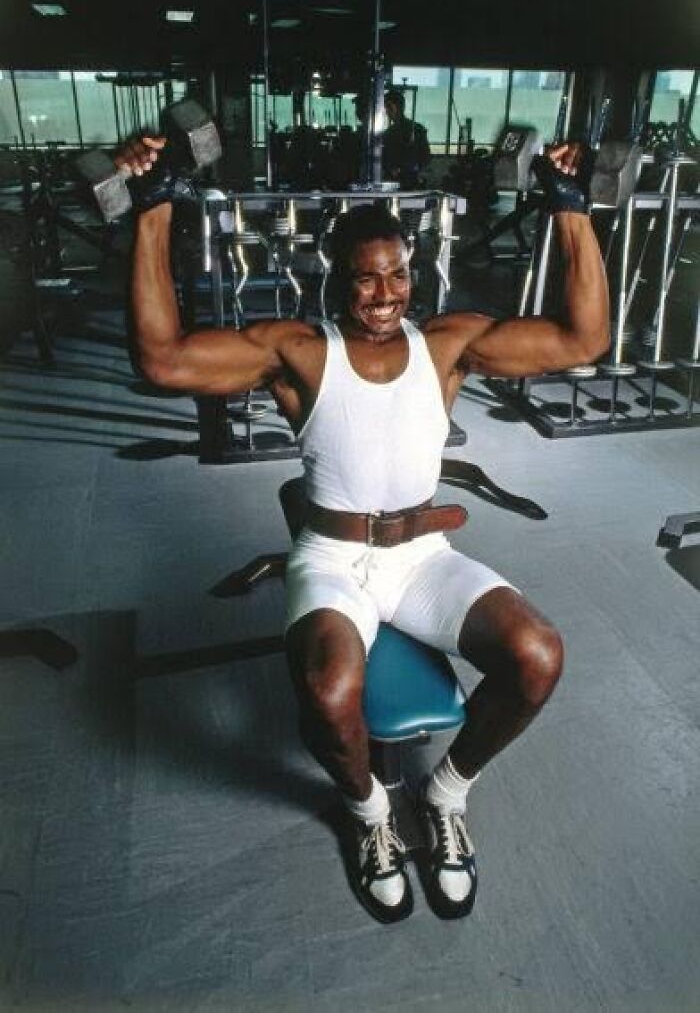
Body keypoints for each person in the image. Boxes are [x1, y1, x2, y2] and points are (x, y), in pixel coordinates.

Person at [123, 133, 609, 924]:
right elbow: (164, 362)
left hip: (422, 558)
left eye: (397, 274)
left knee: (538, 655)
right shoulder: (300, 352)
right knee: (330, 688)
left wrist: (572, 211)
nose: (384, 294)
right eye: (364, 278)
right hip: (333, 558)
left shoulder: (449, 345)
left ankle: (447, 793)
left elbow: (582, 340)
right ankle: (369, 814)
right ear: (335, 279)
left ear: (412, 272)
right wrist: (152, 212)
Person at [382, 89, 432, 188]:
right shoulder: (417, 128)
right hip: (407, 180)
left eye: (389, 107)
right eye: (386, 108)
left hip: (402, 181)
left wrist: (400, 169)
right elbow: (426, 158)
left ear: (399, 107)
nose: (387, 112)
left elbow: (425, 157)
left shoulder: (392, 132)